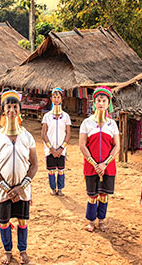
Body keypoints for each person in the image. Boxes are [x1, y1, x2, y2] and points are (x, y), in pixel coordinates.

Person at [0, 90, 38, 265]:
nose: (11, 110)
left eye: (14, 106)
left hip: (22, 189)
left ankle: (22, 250)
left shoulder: (27, 136)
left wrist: (21, 187)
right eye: (8, 106)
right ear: (3, 110)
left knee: (22, 220)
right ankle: (7, 251)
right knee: (4, 222)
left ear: (19, 109)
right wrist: (8, 189)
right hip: (3, 190)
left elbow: (34, 165)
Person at [79, 86, 120, 232]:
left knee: (103, 195)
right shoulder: (87, 123)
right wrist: (95, 163)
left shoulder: (112, 124)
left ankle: (101, 220)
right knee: (92, 195)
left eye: (104, 101)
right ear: (94, 103)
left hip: (108, 166)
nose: (101, 103)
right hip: (91, 166)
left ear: (108, 103)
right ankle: (91, 221)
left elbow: (117, 147)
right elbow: (82, 145)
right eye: (98, 100)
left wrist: (105, 164)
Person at [41, 87, 71, 196]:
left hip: (61, 149)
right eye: (54, 97)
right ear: (51, 99)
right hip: (50, 149)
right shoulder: (47, 116)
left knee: (61, 170)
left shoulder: (66, 116)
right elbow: (43, 134)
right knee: (51, 170)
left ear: (61, 99)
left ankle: (61, 189)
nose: (56, 99)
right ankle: (53, 188)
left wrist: (61, 148)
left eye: (58, 97)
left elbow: (68, 134)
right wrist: (51, 148)